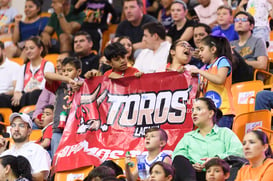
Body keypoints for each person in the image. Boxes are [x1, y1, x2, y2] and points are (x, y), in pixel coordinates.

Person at [172, 97, 243, 181]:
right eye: (193, 110)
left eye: (198, 109)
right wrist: (191, 165)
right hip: (194, 176)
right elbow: (177, 157)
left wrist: (216, 159)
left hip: (219, 176)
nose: (194, 113)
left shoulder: (225, 133)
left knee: (236, 165)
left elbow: (239, 153)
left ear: (210, 113)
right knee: (178, 159)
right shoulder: (188, 137)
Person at [190, 35, 234, 128]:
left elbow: (219, 79)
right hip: (208, 115)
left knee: (219, 141)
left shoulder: (222, 61)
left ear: (213, 49)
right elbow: (199, 91)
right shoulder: (204, 68)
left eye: (202, 50)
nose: (200, 54)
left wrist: (199, 72)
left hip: (223, 111)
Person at [45, 56, 82, 156]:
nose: (66, 73)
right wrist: (67, 79)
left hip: (78, 129)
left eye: (69, 70)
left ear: (79, 72)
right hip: (59, 128)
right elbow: (47, 74)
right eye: (64, 70)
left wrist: (80, 85)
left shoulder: (83, 85)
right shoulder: (59, 84)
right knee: (57, 158)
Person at [1, 112, 51, 181]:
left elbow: (41, 177)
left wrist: (19, 176)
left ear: (29, 131)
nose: (16, 129)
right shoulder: (5, 154)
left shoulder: (37, 150)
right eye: (13, 125)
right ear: (10, 130)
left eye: (21, 125)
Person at [11, 36, 55, 111]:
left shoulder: (48, 65)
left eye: (31, 48)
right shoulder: (23, 67)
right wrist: (17, 93)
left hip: (40, 96)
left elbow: (44, 86)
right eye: (26, 49)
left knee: (35, 93)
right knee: (7, 98)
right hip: (25, 97)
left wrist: (29, 92)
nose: (28, 51)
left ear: (40, 49)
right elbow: (18, 88)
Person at [0, 40, 20, 108]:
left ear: (3, 51)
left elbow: (17, 89)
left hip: (7, 98)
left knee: (2, 97)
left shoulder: (14, 66)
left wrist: (5, 93)